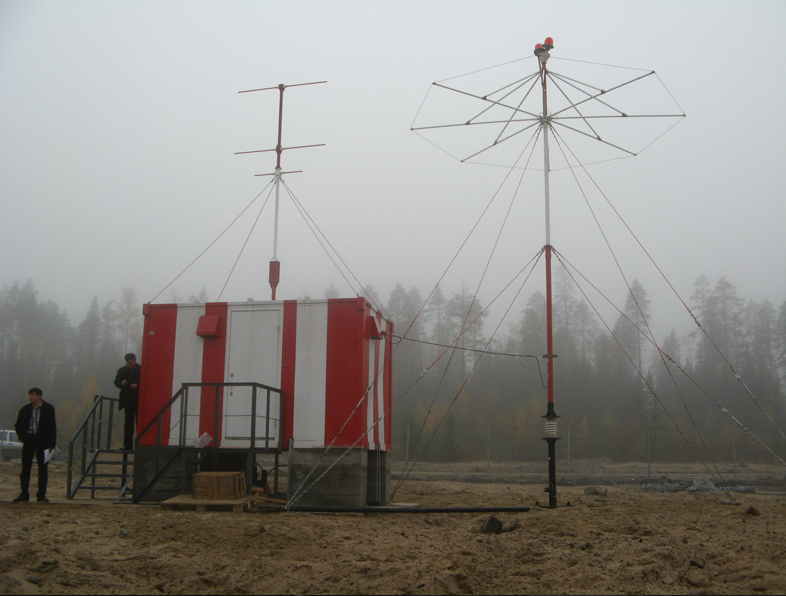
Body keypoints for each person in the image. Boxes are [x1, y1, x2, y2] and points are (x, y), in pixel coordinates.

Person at [13, 387, 57, 503]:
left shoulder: (48, 409)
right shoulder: (25, 410)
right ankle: (24, 494)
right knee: (25, 468)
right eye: (29, 395)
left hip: (43, 443)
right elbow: (18, 425)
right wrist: (23, 437)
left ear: (39, 396)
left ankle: (41, 495)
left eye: (32, 395)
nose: (30, 397)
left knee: (43, 470)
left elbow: (52, 427)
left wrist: (52, 444)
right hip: (29, 441)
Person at [114, 353, 141, 450]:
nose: (129, 365)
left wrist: (137, 386)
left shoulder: (141, 370)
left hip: (139, 400)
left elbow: (147, 381)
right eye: (127, 363)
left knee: (139, 423)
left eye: (130, 362)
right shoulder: (122, 371)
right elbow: (116, 381)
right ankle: (128, 445)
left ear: (135, 360)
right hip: (128, 400)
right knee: (128, 424)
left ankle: (140, 445)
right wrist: (122, 383)